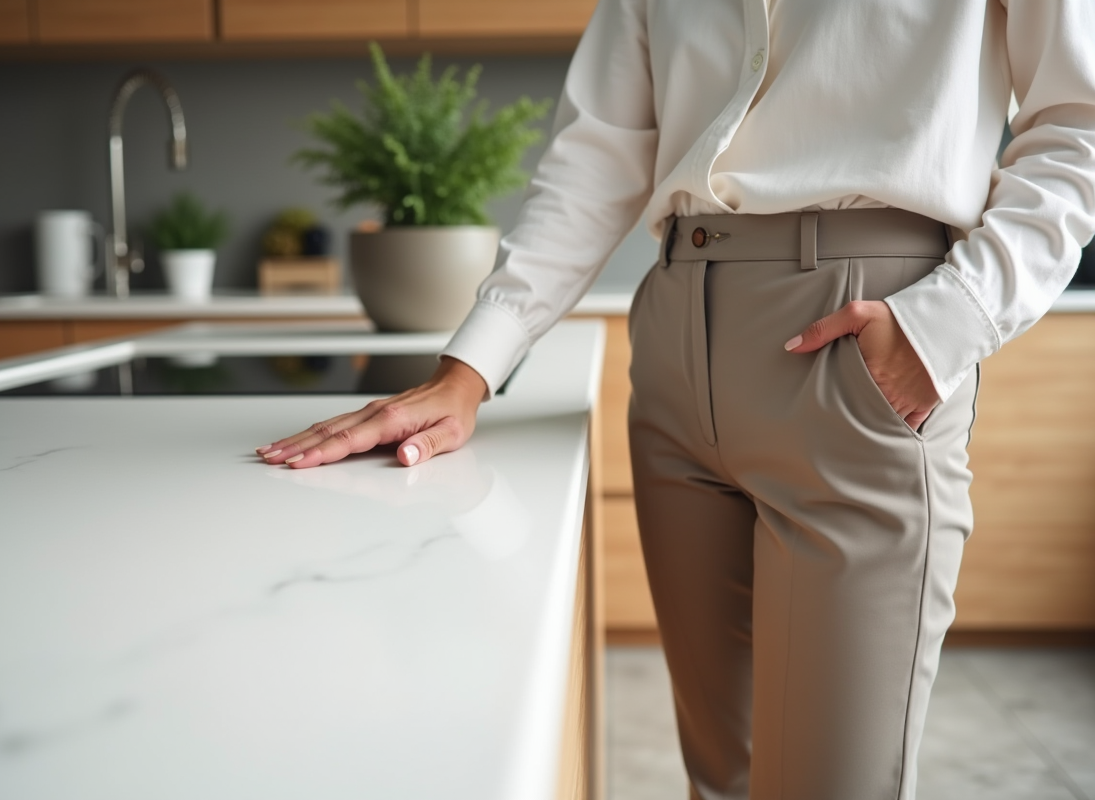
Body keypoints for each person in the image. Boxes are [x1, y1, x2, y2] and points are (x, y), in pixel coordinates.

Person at [257, 2, 1095, 798]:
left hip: (857, 338)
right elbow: (601, 152)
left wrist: (945, 322)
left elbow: (1076, 120)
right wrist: (469, 368)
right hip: (675, 347)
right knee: (720, 776)